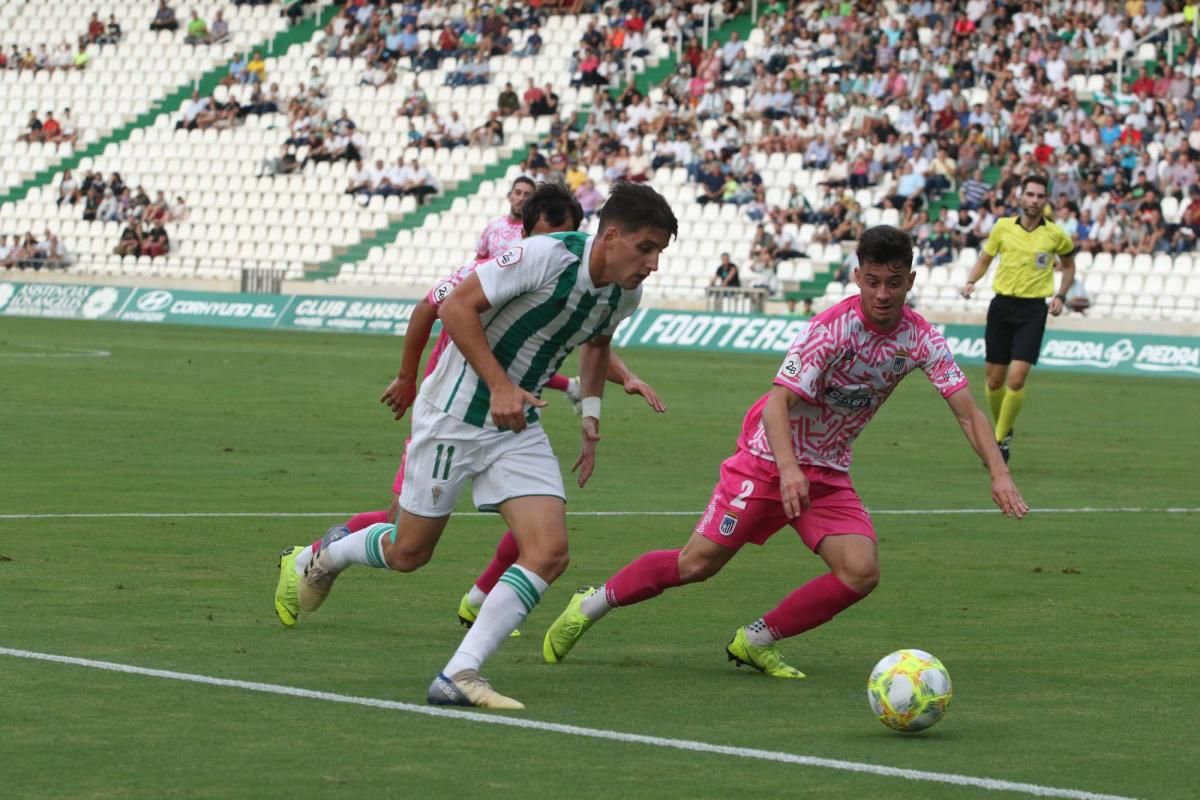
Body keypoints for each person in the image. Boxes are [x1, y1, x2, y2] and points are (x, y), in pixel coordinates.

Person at [541, 225, 1028, 679]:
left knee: (860, 571)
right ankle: (592, 603)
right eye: (873, 281)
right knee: (697, 565)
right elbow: (778, 403)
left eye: (894, 283)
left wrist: (998, 473)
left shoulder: (921, 337)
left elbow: (967, 411)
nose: (882, 294)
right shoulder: (832, 329)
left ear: (911, 280)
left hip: (828, 470)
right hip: (768, 458)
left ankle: (756, 640)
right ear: (857, 276)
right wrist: (790, 469)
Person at [274, 182, 678, 710]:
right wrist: (500, 385)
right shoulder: (544, 256)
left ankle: (459, 674)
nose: (651, 263)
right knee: (408, 552)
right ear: (610, 235)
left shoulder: (626, 293)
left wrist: (591, 415)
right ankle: (320, 557)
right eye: (645, 248)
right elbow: (454, 307)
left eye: (660, 253)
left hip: (515, 427)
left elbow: (598, 345)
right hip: (453, 415)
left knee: (549, 551)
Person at [960, 174, 1075, 462]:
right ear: (1021, 198)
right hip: (1001, 307)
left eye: (1040, 196)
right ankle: (1005, 431)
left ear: (1046, 200)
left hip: (1033, 310)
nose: (1035, 200)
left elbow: (1070, 267)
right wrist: (971, 280)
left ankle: (996, 439)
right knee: (994, 381)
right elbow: (985, 259)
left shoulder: (1056, 235)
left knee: (1016, 379)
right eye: (1030, 195)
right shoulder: (1002, 228)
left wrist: (1060, 295)